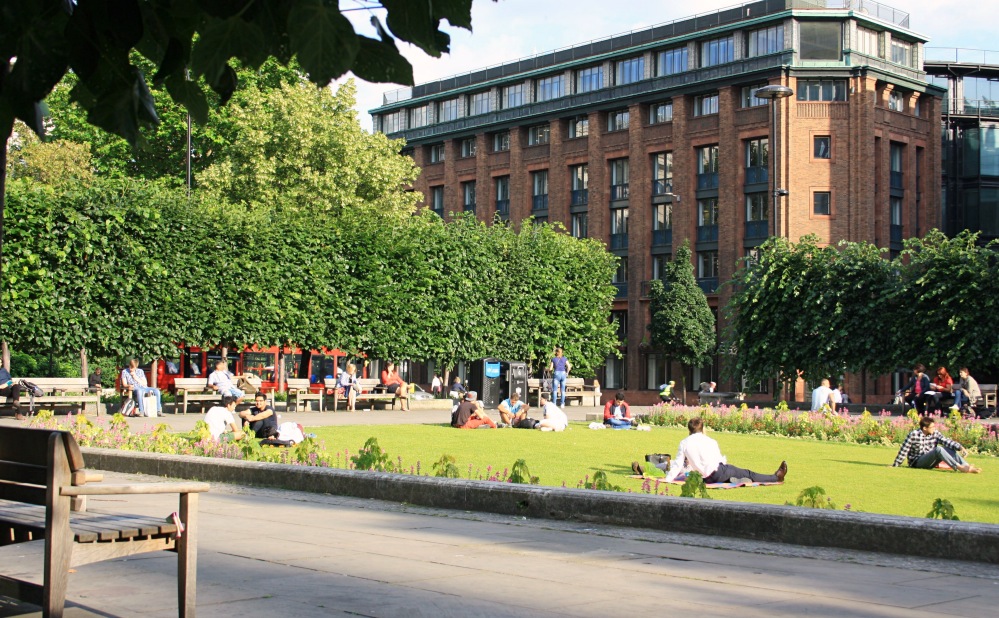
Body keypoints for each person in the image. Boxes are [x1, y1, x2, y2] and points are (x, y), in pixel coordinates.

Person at [665, 417, 787, 483]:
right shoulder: (710, 441)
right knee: (747, 473)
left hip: (705, 479)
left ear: (689, 429)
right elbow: (719, 461)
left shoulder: (684, 443)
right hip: (718, 473)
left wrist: (668, 479)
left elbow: (677, 464)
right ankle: (776, 477)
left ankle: (735, 480)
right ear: (702, 428)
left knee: (730, 473)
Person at [892, 417, 981, 473]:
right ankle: (959, 467)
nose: (934, 429)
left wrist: (960, 447)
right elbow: (904, 450)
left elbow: (946, 441)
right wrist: (896, 465)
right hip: (917, 462)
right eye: (932, 427)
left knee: (948, 448)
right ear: (924, 428)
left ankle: (966, 466)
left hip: (930, 462)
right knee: (939, 449)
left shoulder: (935, 433)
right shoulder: (914, 434)